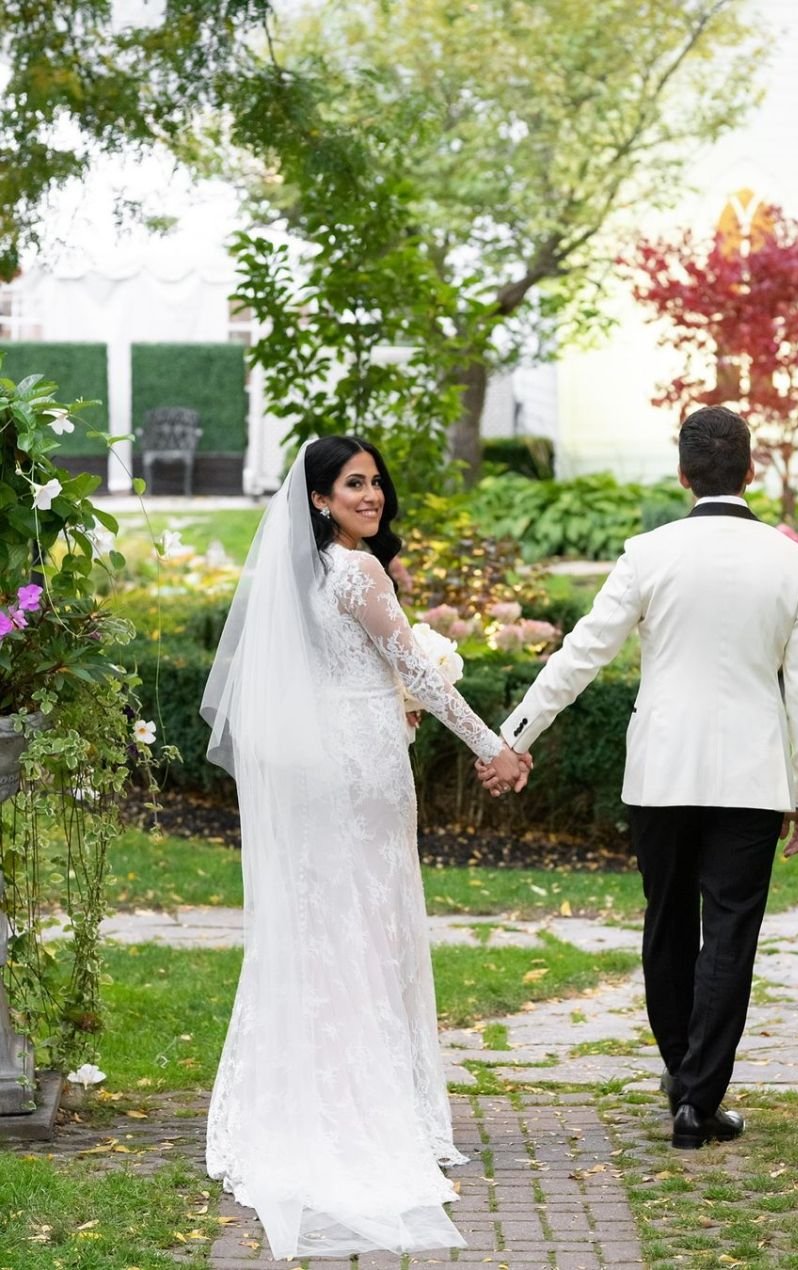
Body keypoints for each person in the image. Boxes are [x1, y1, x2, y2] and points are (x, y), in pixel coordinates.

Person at [200, 436, 528, 1259]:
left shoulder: (301, 580)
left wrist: (392, 701)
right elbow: (421, 671)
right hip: (364, 773)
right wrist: (495, 747)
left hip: (327, 764)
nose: (371, 496)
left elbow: (346, 675)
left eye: (377, 483)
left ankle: (310, 1088)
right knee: (372, 921)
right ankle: (375, 1106)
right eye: (353, 485)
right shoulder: (361, 572)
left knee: (326, 919)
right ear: (318, 500)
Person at [478, 405, 798, 1149]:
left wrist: (511, 734)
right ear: (751, 471)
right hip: (748, 777)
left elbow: (581, 655)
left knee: (667, 922)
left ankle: (683, 1081)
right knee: (731, 933)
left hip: (661, 771)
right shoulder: (792, 560)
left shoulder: (648, 552)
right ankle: (698, 1099)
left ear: (682, 475)